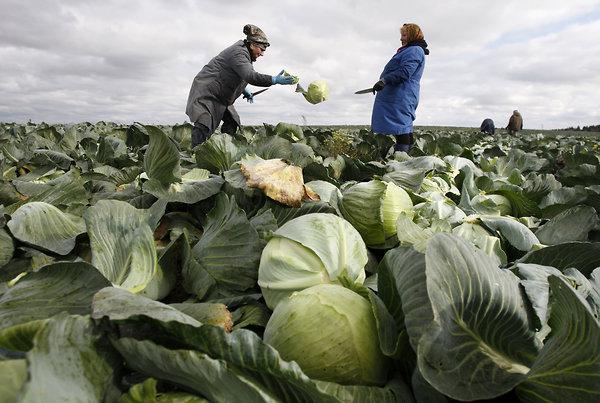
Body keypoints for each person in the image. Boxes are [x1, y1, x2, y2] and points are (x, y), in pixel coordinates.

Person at [185, 24, 295, 147]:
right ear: (253, 44)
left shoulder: (245, 54)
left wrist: (244, 89)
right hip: (207, 92)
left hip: (221, 96)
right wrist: (274, 79)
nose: (262, 54)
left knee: (233, 121)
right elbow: (250, 76)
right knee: (204, 124)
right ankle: (196, 153)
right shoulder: (239, 53)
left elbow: (236, 74)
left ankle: (224, 148)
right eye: (262, 49)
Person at [371, 23, 429, 153]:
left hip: (401, 95)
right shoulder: (410, 50)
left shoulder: (414, 50)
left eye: (404, 35)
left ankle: (401, 162)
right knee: (403, 128)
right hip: (398, 95)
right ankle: (405, 160)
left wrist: (384, 80)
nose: (401, 38)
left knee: (402, 130)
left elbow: (405, 72)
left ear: (412, 35)